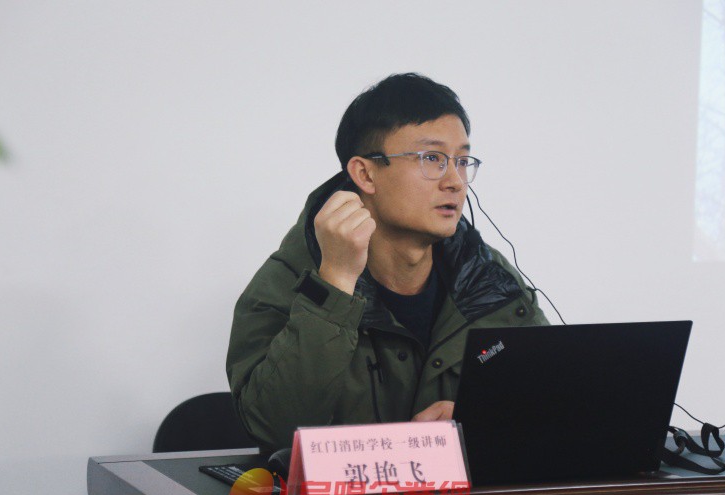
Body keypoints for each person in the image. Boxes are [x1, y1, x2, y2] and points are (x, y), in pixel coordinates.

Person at [226, 73, 548, 452]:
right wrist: (335, 282)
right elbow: (274, 430)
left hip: (456, 489)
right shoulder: (290, 279)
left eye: (462, 161)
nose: (455, 182)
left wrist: (478, 417)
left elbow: (551, 397)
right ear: (365, 174)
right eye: (431, 158)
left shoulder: (487, 278)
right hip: (343, 492)